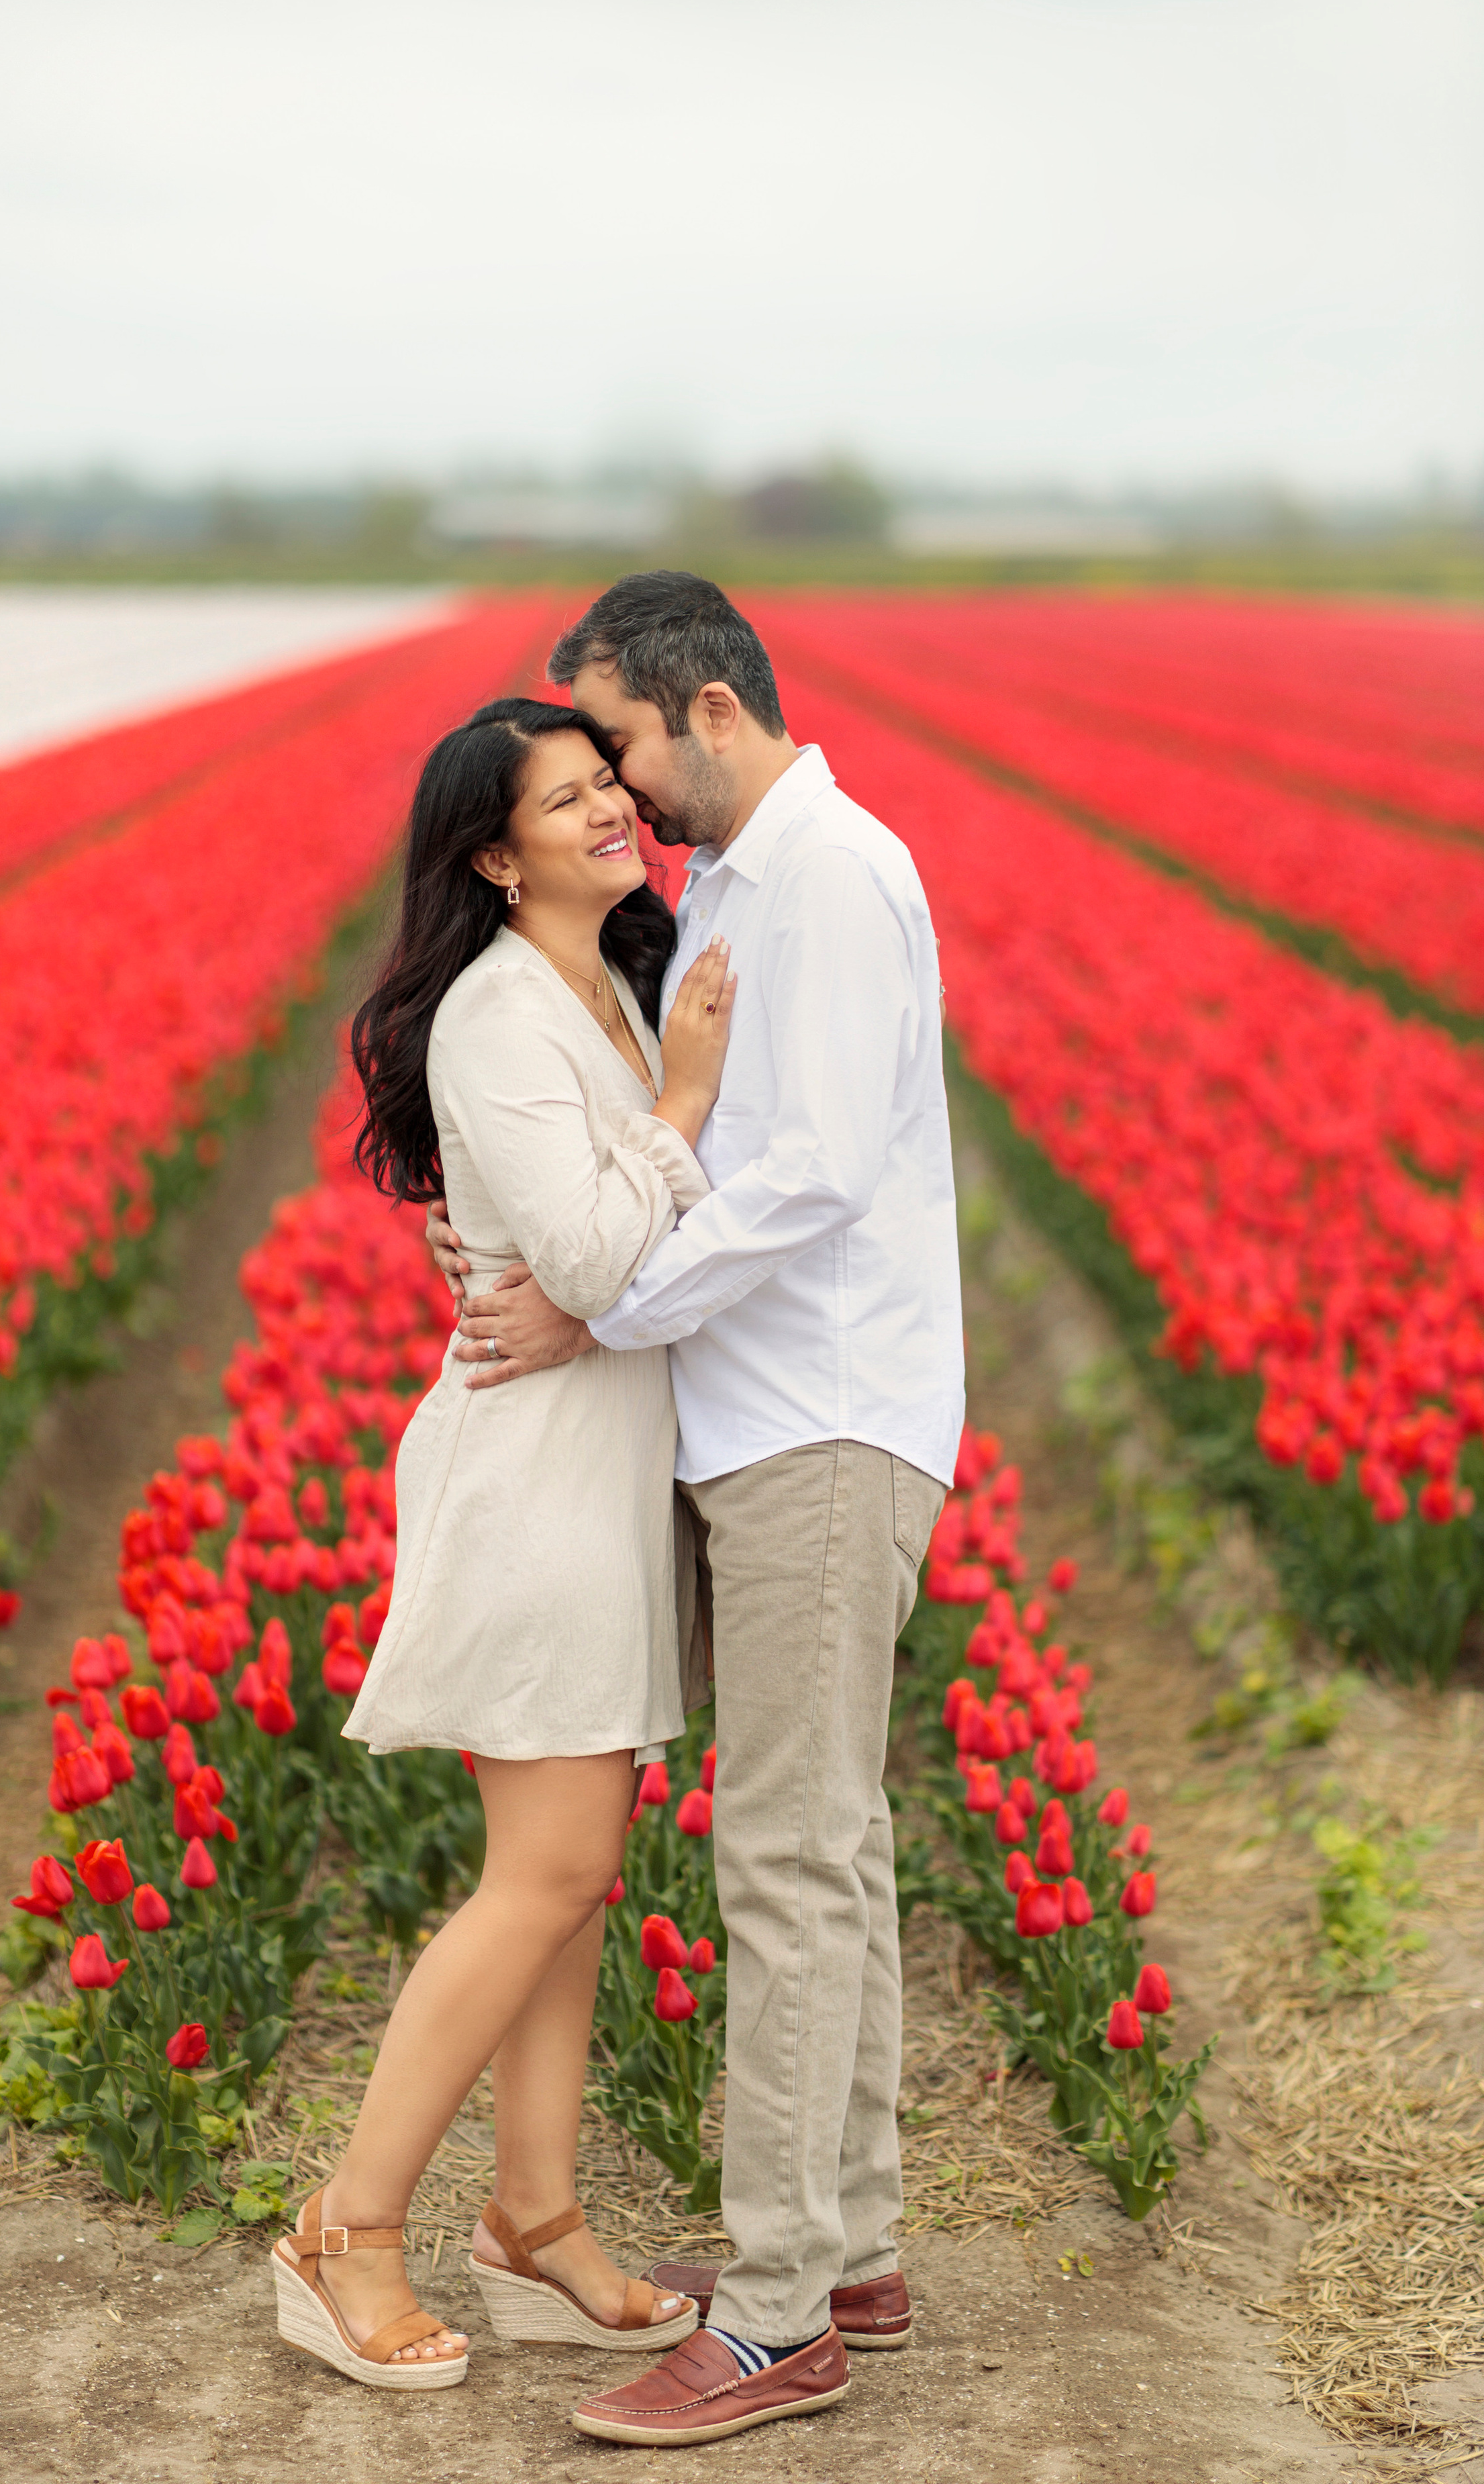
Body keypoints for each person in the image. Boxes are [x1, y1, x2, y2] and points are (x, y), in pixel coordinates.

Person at [433, 573, 964, 2448]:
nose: (625, 794)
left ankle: (775, 2315)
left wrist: (598, 1308)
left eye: (629, 747)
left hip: (820, 1415)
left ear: (712, 704)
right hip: (760, 1417)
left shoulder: (827, 876)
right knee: (834, 1844)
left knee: (790, 1855)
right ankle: (852, 2248)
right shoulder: (742, 881)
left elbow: (808, 1176)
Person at [270, 696, 737, 2391]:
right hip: (534, 1483)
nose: (611, 807)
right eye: (566, 798)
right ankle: (350, 2228)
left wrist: (615, 1216)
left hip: (605, 1477)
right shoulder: (492, 1016)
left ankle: (532, 2218)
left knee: (576, 1882)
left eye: (607, 780)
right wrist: (682, 1100)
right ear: (492, 849)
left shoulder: (598, 979)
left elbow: (600, 1259)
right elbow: (612, 1260)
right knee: (537, 1874)